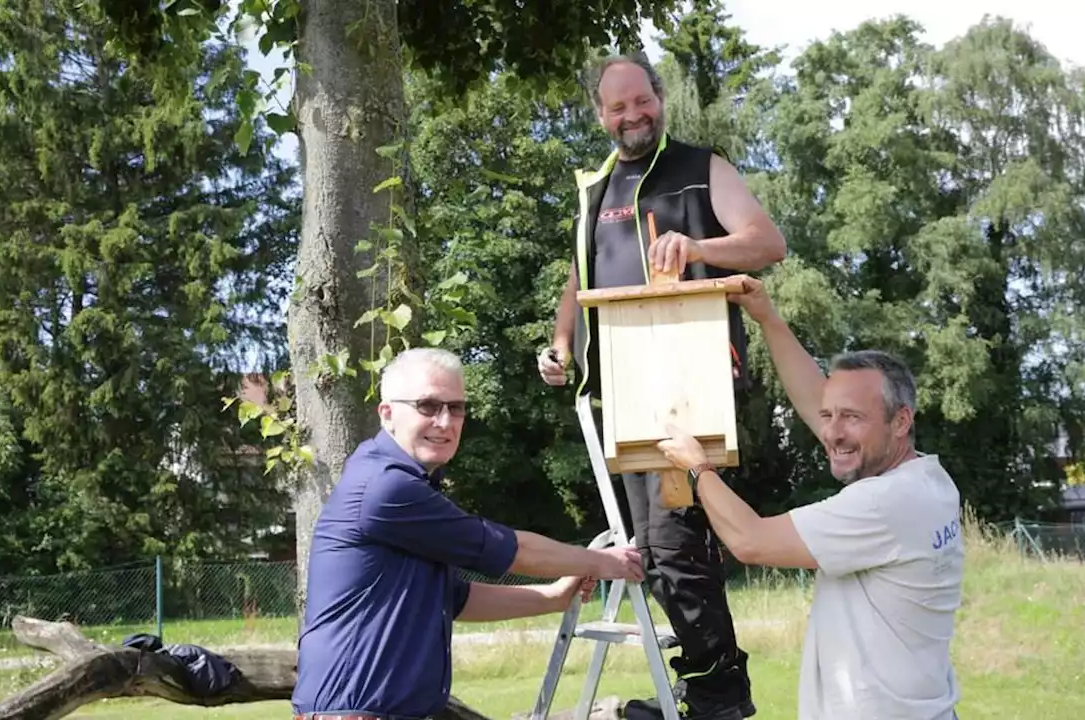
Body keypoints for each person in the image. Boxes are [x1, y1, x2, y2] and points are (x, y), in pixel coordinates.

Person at [538, 52, 785, 720]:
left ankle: (718, 696)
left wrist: (698, 247)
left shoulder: (703, 167)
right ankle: (707, 686)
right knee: (653, 551)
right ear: (600, 115)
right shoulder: (594, 188)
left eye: (640, 101)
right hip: (615, 399)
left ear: (659, 97)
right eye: (617, 108)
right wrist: (561, 344)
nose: (631, 116)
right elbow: (577, 276)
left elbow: (767, 242)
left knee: (674, 546)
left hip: (685, 386)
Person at [653, 275, 965, 720]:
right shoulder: (930, 482)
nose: (833, 432)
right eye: (829, 416)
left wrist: (698, 467)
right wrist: (768, 317)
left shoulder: (883, 503)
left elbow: (751, 540)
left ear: (900, 422)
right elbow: (822, 406)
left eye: (852, 417)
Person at [292, 347, 645, 720]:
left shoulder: (405, 483)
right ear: (388, 414)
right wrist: (607, 562)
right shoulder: (386, 488)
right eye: (427, 406)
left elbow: (454, 599)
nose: (445, 421)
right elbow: (513, 551)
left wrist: (554, 596)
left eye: (456, 407)